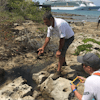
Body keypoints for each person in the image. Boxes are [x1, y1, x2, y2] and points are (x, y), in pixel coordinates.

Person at [38, 12, 74, 80]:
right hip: (64, 38)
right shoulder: (50, 25)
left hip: (69, 37)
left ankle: (58, 72)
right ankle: (63, 63)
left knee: (61, 53)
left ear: (51, 19)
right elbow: (48, 38)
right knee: (63, 50)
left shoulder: (59, 24)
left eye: (46, 22)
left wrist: (59, 50)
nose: (45, 24)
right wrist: (43, 48)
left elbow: (62, 39)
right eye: (44, 22)